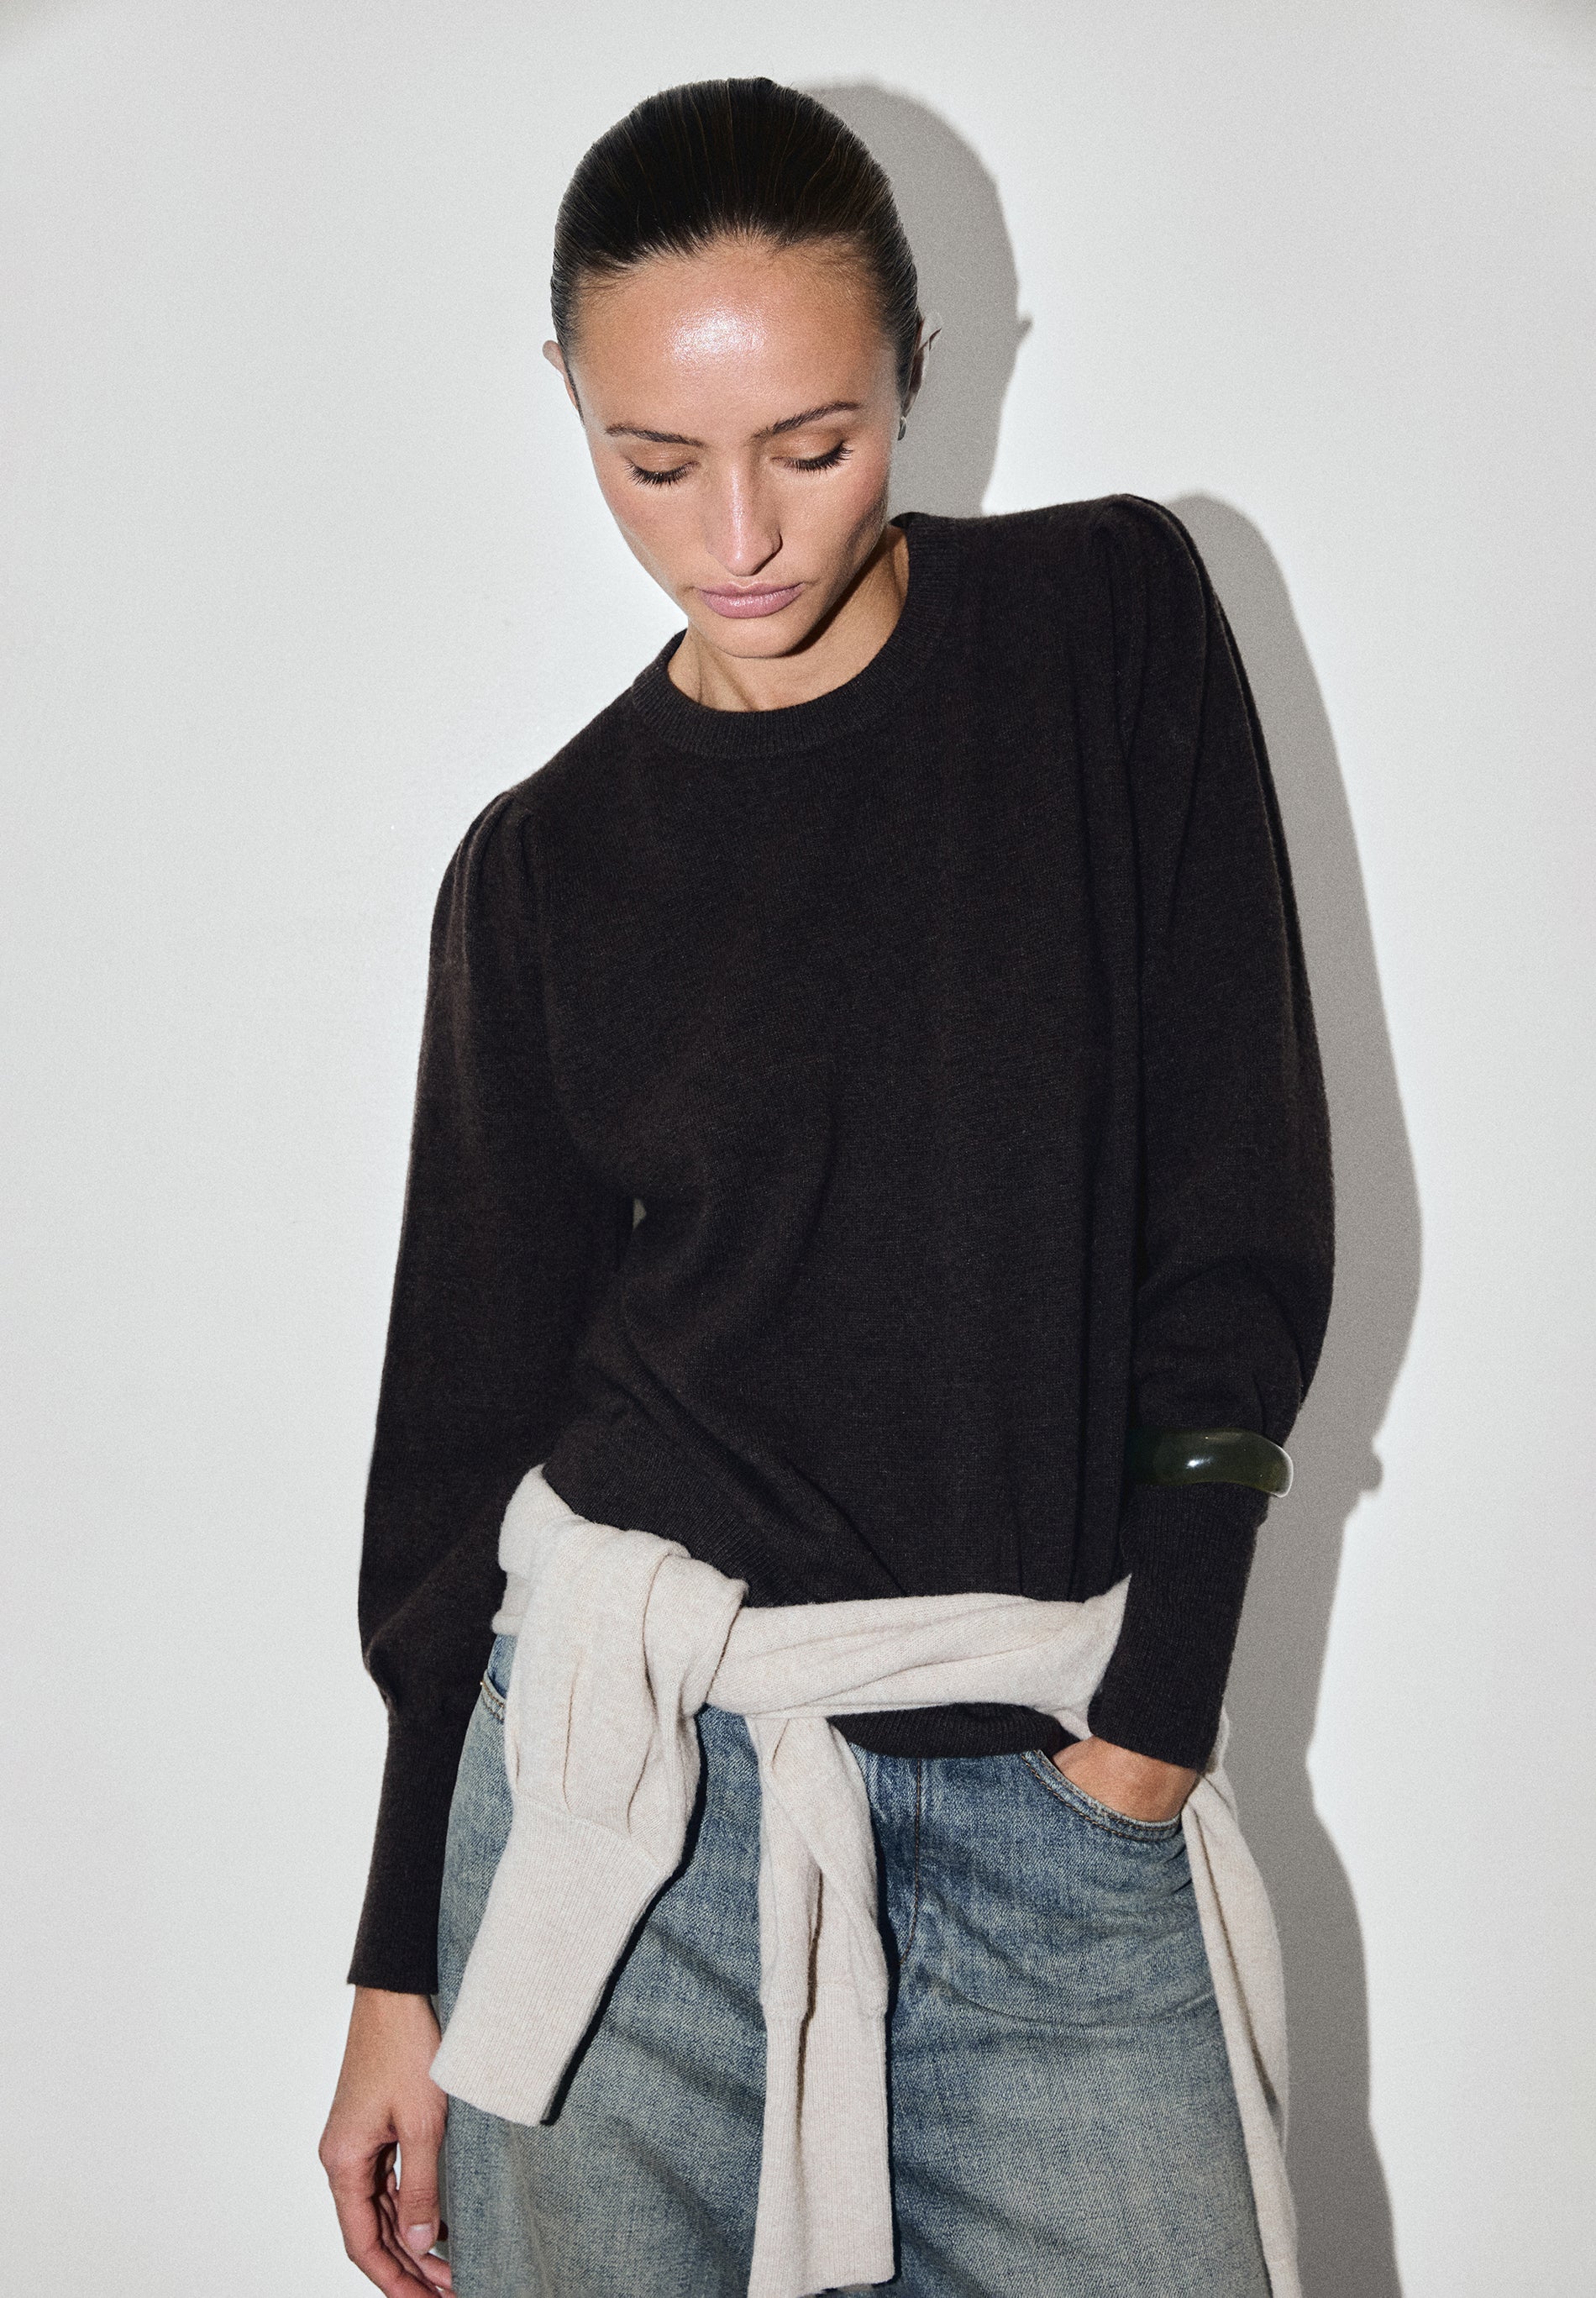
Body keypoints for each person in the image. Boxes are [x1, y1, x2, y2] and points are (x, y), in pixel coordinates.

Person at [319, 74, 1334, 2298]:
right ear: (570, 403)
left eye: (813, 442)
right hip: (616, 1830)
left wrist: (1154, 1723)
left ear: (915, 374)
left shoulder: (1107, 628)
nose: (739, 535)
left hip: (1054, 1798)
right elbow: (454, 1438)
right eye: (652, 460)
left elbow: (1240, 1221)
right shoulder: (543, 867)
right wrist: (400, 1958)